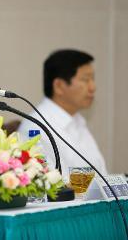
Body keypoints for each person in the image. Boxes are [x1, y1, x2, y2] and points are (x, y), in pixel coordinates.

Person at [17, 49, 107, 178]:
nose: (93, 87)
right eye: (86, 80)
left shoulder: (77, 121)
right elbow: (46, 187)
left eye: (93, 79)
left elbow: (101, 176)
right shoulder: (35, 128)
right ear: (59, 86)